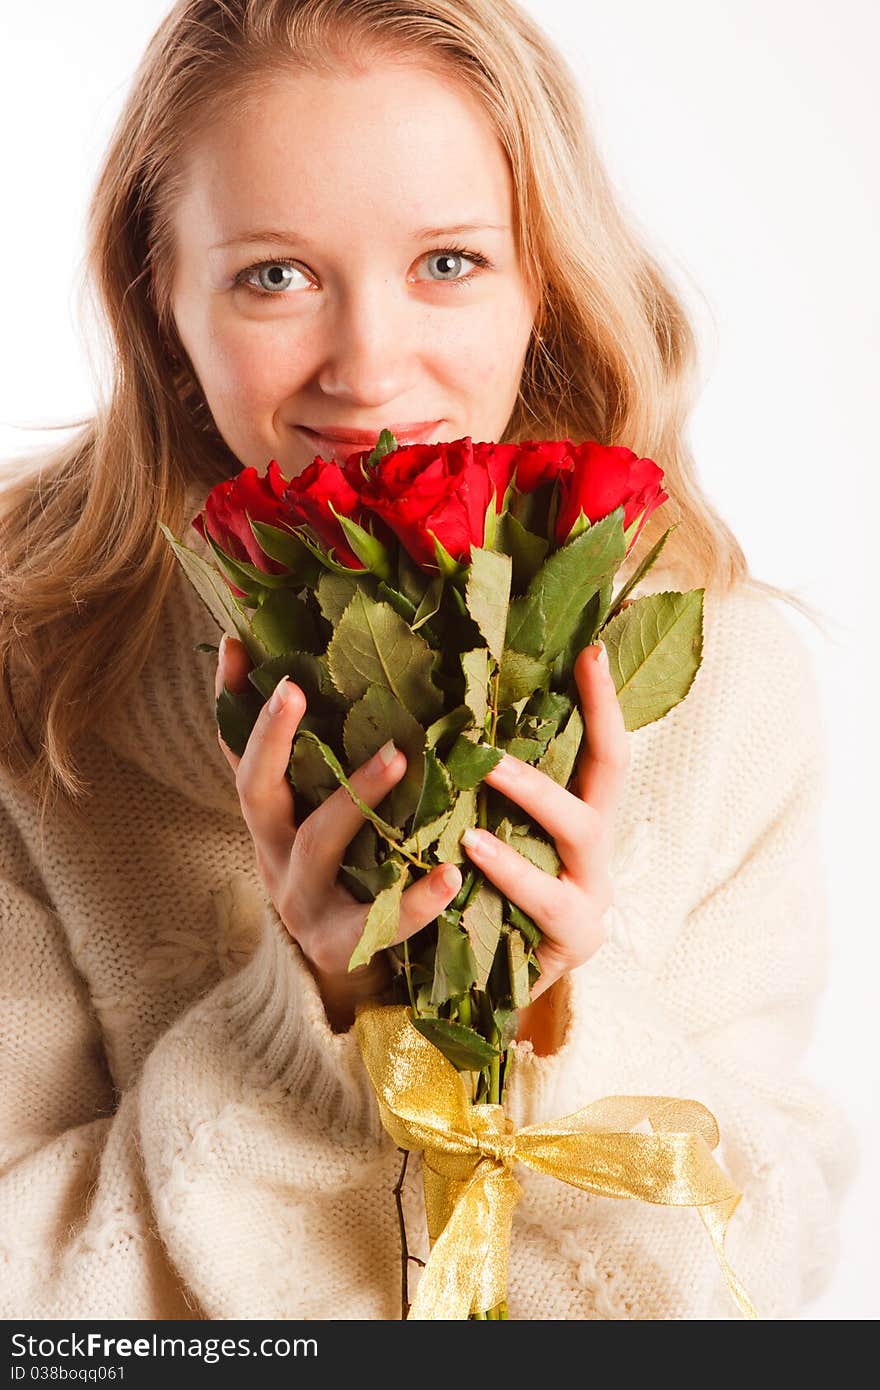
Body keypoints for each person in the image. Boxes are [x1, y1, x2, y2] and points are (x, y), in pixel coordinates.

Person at [0, 0, 857, 1321]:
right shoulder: (29, 681)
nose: (370, 366)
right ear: (160, 307)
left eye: (449, 262)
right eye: (273, 275)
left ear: (543, 285)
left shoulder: (721, 675)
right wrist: (316, 1027)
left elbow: (768, 1267)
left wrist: (557, 1021)